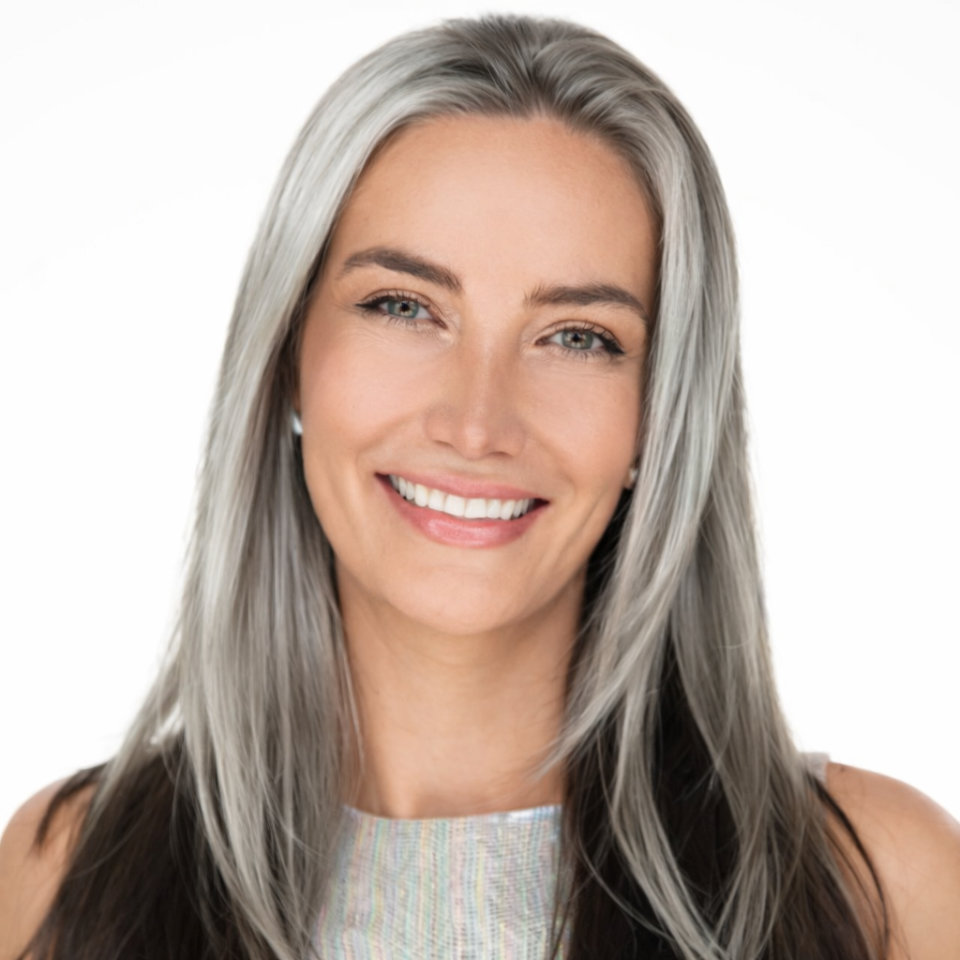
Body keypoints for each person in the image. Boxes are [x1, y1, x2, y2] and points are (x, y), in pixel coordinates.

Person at [1, 12, 958, 960]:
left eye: (578, 336)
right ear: (290, 355)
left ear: (661, 415)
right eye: (404, 307)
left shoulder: (880, 889)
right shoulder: (63, 879)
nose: (476, 423)